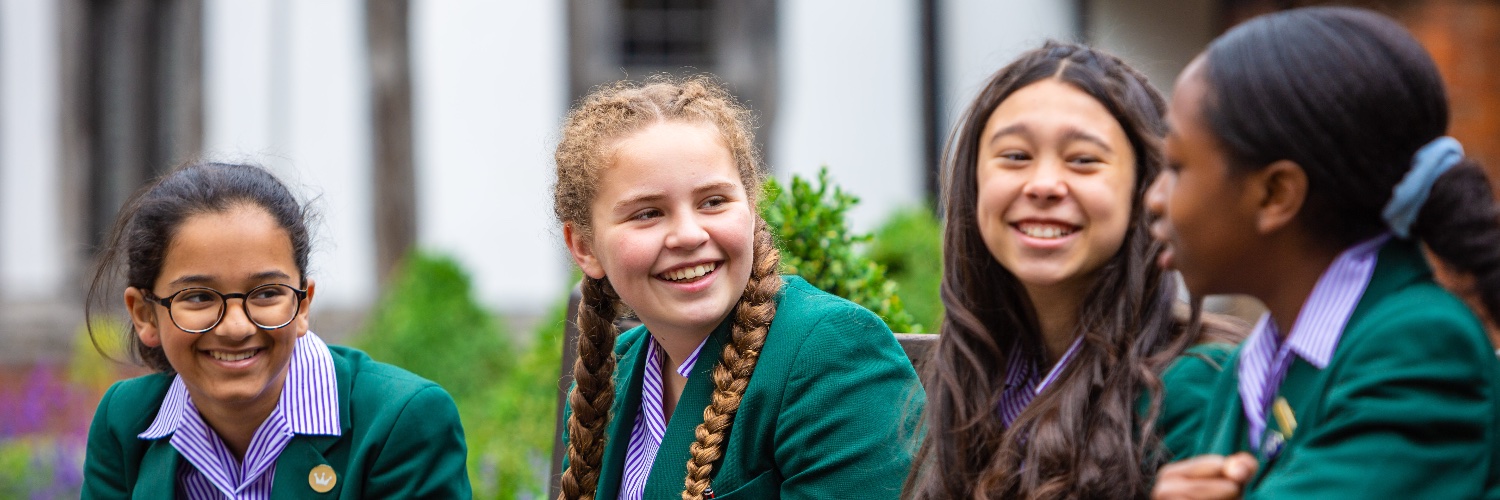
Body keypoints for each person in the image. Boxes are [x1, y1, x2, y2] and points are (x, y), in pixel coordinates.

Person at [1146, 6, 1500, 498]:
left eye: (1176, 166)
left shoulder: (1417, 346)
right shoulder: (1246, 370)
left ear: (1275, 195)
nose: (1153, 199)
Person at [903, 41, 1244, 499]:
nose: (1044, 184)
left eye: (1083, 160)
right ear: (974, 183)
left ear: (1145, 188)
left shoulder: (1195, 383)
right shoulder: (973, 371)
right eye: (1015, 156)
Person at [553, 76, 921, 500]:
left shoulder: (833, 354)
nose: (688, 235)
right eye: (648, 213)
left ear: (750, 207)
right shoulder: (612, 373)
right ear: (584, 247)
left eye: (713, 201)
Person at [81, 162, 471, 499]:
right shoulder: (126, 421)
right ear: (145, 314)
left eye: (267, 293)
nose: (236, 327)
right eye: (199, 297)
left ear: (302, 304)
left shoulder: (400, 422)